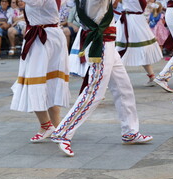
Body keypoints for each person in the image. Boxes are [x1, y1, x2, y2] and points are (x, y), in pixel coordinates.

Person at [51, 0, 153, 157]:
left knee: (123, 88)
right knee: (94, 92)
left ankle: (130, 131)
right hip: (101, 43)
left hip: (107, 41)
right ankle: (63, 132)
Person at [10, 0, 70, 145]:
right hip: (46, 36)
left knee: (35, 81)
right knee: (49, 82)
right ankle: (57, 127)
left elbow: (35, 3)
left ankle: (47, 126)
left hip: (43, 38)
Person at [115, 0, 163, 87]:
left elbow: (114, 5)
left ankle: (113, 79)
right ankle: (151, 76)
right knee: (140, 48)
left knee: (119, 50)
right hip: (136, 20)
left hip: (132, 20)